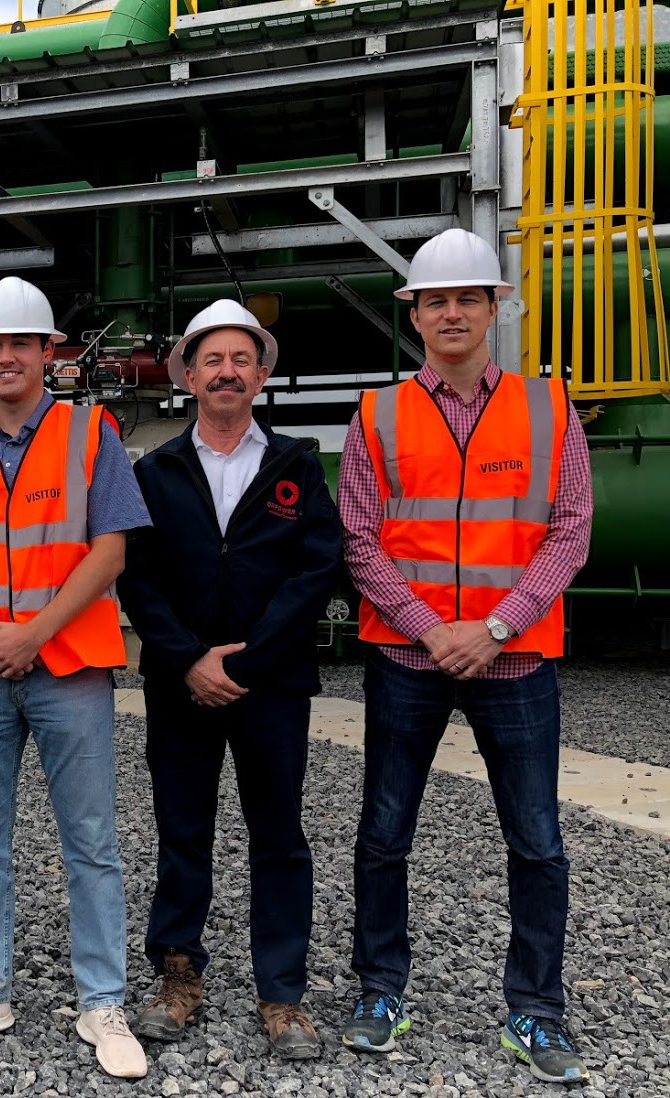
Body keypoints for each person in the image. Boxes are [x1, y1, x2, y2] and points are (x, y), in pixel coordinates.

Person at [339, 228, 593, 1084]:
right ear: (414, 315)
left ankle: (535, 1011)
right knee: (383, 835)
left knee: (537, 842)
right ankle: (380, 991)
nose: (451, 312)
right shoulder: (377, 414)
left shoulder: (548, 409)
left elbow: (569, 534)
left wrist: (491, 628)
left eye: (467, 299)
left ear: (494, 309)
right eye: (435, 300)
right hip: (409, 660)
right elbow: (360, 541)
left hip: (513, 662)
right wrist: (429, 627)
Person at [0, 276, 153, 1080]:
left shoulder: (92, 435)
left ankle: (103, 1000)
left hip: (71, 665)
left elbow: (112, 548)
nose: (6, 356)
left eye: (21, 342)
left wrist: (34, 634)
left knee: (90, 841)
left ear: (50, 353)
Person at [117, 300, 340, 1059]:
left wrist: (244, 662)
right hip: (180, 688)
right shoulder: (155, 470)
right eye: (211, 359)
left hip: (270, 689)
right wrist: (188, 659)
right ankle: (178, 977)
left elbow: (317, 571)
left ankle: (281, 995)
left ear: (262, 375)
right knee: (184, 833)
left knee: (278, 837)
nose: (227, 371)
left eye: (241, 359)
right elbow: (138, 579)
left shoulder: (295, 464)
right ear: (186, 376)